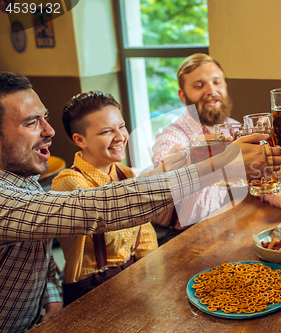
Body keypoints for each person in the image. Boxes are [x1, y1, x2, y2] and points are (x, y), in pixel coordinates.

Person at [0, 72, 281, 332]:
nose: (49, 130)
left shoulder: (24, 181)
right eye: (31, 122)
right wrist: (219, 166)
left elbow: (39, 244)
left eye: (44, 117)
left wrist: (50, 297)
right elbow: (104, 208)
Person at [51, 92, 186, 305]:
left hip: (131, 274)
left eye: (121, 126)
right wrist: (161, 174)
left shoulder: (124, 174)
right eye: (106, 131)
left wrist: (156, 276)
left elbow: (145, 235)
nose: (120, 137)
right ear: (80, 139)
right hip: (89, 290)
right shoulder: (69, 183)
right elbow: (113, 211)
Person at [152, 53, 281, 237]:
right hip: (173, 236)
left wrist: (280, 197)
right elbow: (162, 182)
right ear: (183, 96)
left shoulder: (232, 128)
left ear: (225, 86)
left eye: (216, 82)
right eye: (199, 85)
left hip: (216, 225)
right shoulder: (173, 136)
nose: (211, 90)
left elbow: (251, 171)